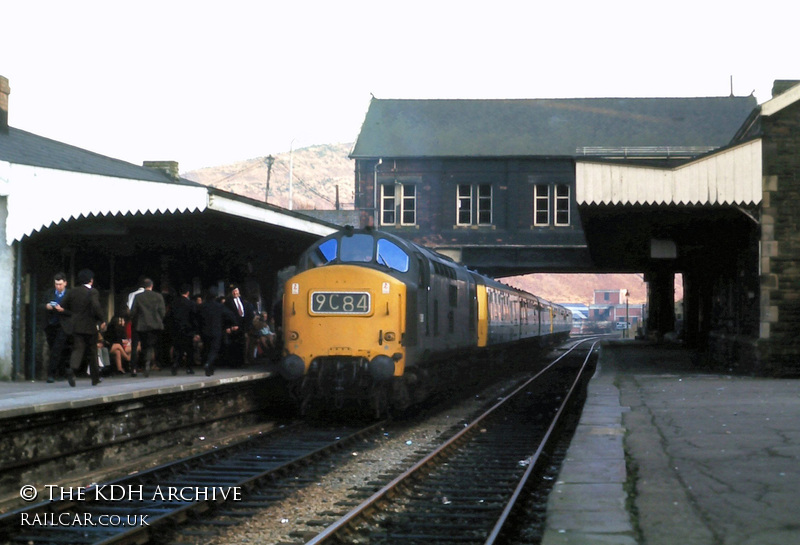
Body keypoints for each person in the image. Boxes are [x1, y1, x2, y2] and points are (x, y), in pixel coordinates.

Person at [60, 269, 106, 386]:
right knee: (92, 351)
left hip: (76, 326)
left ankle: (72, 369)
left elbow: (62, 306)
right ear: (91, 280)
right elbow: (96, 306)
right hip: (90, 326)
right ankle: (95, 378)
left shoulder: (72, 291)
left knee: (78, 349)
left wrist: (72, 315)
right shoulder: (93, 292)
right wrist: (102, 319)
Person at [129, 278, 166, 377]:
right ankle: (149, 363)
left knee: (140, 346)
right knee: (151, 345)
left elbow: (133, 311)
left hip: (141, 325)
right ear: (151, 286)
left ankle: (138, 366)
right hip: (155, 325)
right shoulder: (158, 296)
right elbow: (162, 312)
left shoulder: (138, 297)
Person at [198, 288, 236, 376]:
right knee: (214, 349)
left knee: (207, 348)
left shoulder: (202, 306)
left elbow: (197, 318)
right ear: (215, 296)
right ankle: (208, 364)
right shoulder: (219, 306)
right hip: (216, 330)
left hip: (204, 331)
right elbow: (230, 315)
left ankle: (209, 368)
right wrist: (233, 323)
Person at [43, 272, 69, 383]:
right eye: (56, 284)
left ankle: (51, 374)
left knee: (56, 349)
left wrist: (63, 310)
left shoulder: (69, 295)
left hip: (63, 325)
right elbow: (40, 305)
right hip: (51, 325)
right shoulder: (49, 293)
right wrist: (46, 306)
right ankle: (61, 372)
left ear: (65, 283)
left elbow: (74, 310)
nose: (58, 287)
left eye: (60, 284)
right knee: (55, 348)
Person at [170, 283, 199, 375]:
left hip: (176, 329)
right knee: (189, 349)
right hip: (187, 329)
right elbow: (194, 318)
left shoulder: (174, 303)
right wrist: (195, 331)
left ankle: (175, 364)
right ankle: (189, 368)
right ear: (188, 292)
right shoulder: (191, 304)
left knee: (178, 349)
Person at [224, 284, 254, 367]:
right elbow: (226, 315)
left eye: (236, 290)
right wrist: (229, 326)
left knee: (244, 343)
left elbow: (247, 313)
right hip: (234, 326)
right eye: (233, 291)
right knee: (235, 345)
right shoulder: (228, 302)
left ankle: (244, 360)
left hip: (243, 326)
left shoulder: (243, 301)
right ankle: (235, 362)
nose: (235, 292)